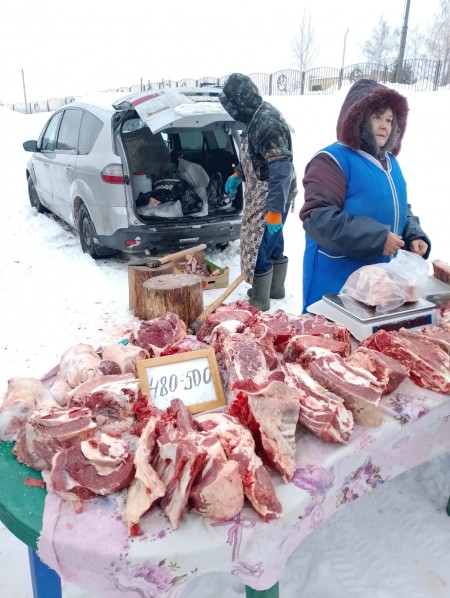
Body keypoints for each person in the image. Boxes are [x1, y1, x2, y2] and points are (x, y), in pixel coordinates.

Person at [300, 78, 431, 313]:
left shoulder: (390, 162)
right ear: (358, 118)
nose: (384, 126)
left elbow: (398, 206)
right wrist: (378, 238)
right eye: (377, 117)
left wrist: (413, 233)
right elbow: (318, 218)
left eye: (390, 120)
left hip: (378, 285)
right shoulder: (332, 160)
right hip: (336, 282)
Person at [219, 73, 297, 311]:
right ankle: (275, 289)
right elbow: (257, 156)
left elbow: (281, 170)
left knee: (259, 246)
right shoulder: (256, 116)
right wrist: (238, 174)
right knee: (274, 242)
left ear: (240, 103)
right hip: (267, 191)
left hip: (273, 194)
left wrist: (274, 210)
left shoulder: (267, 123)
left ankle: (260, 300)